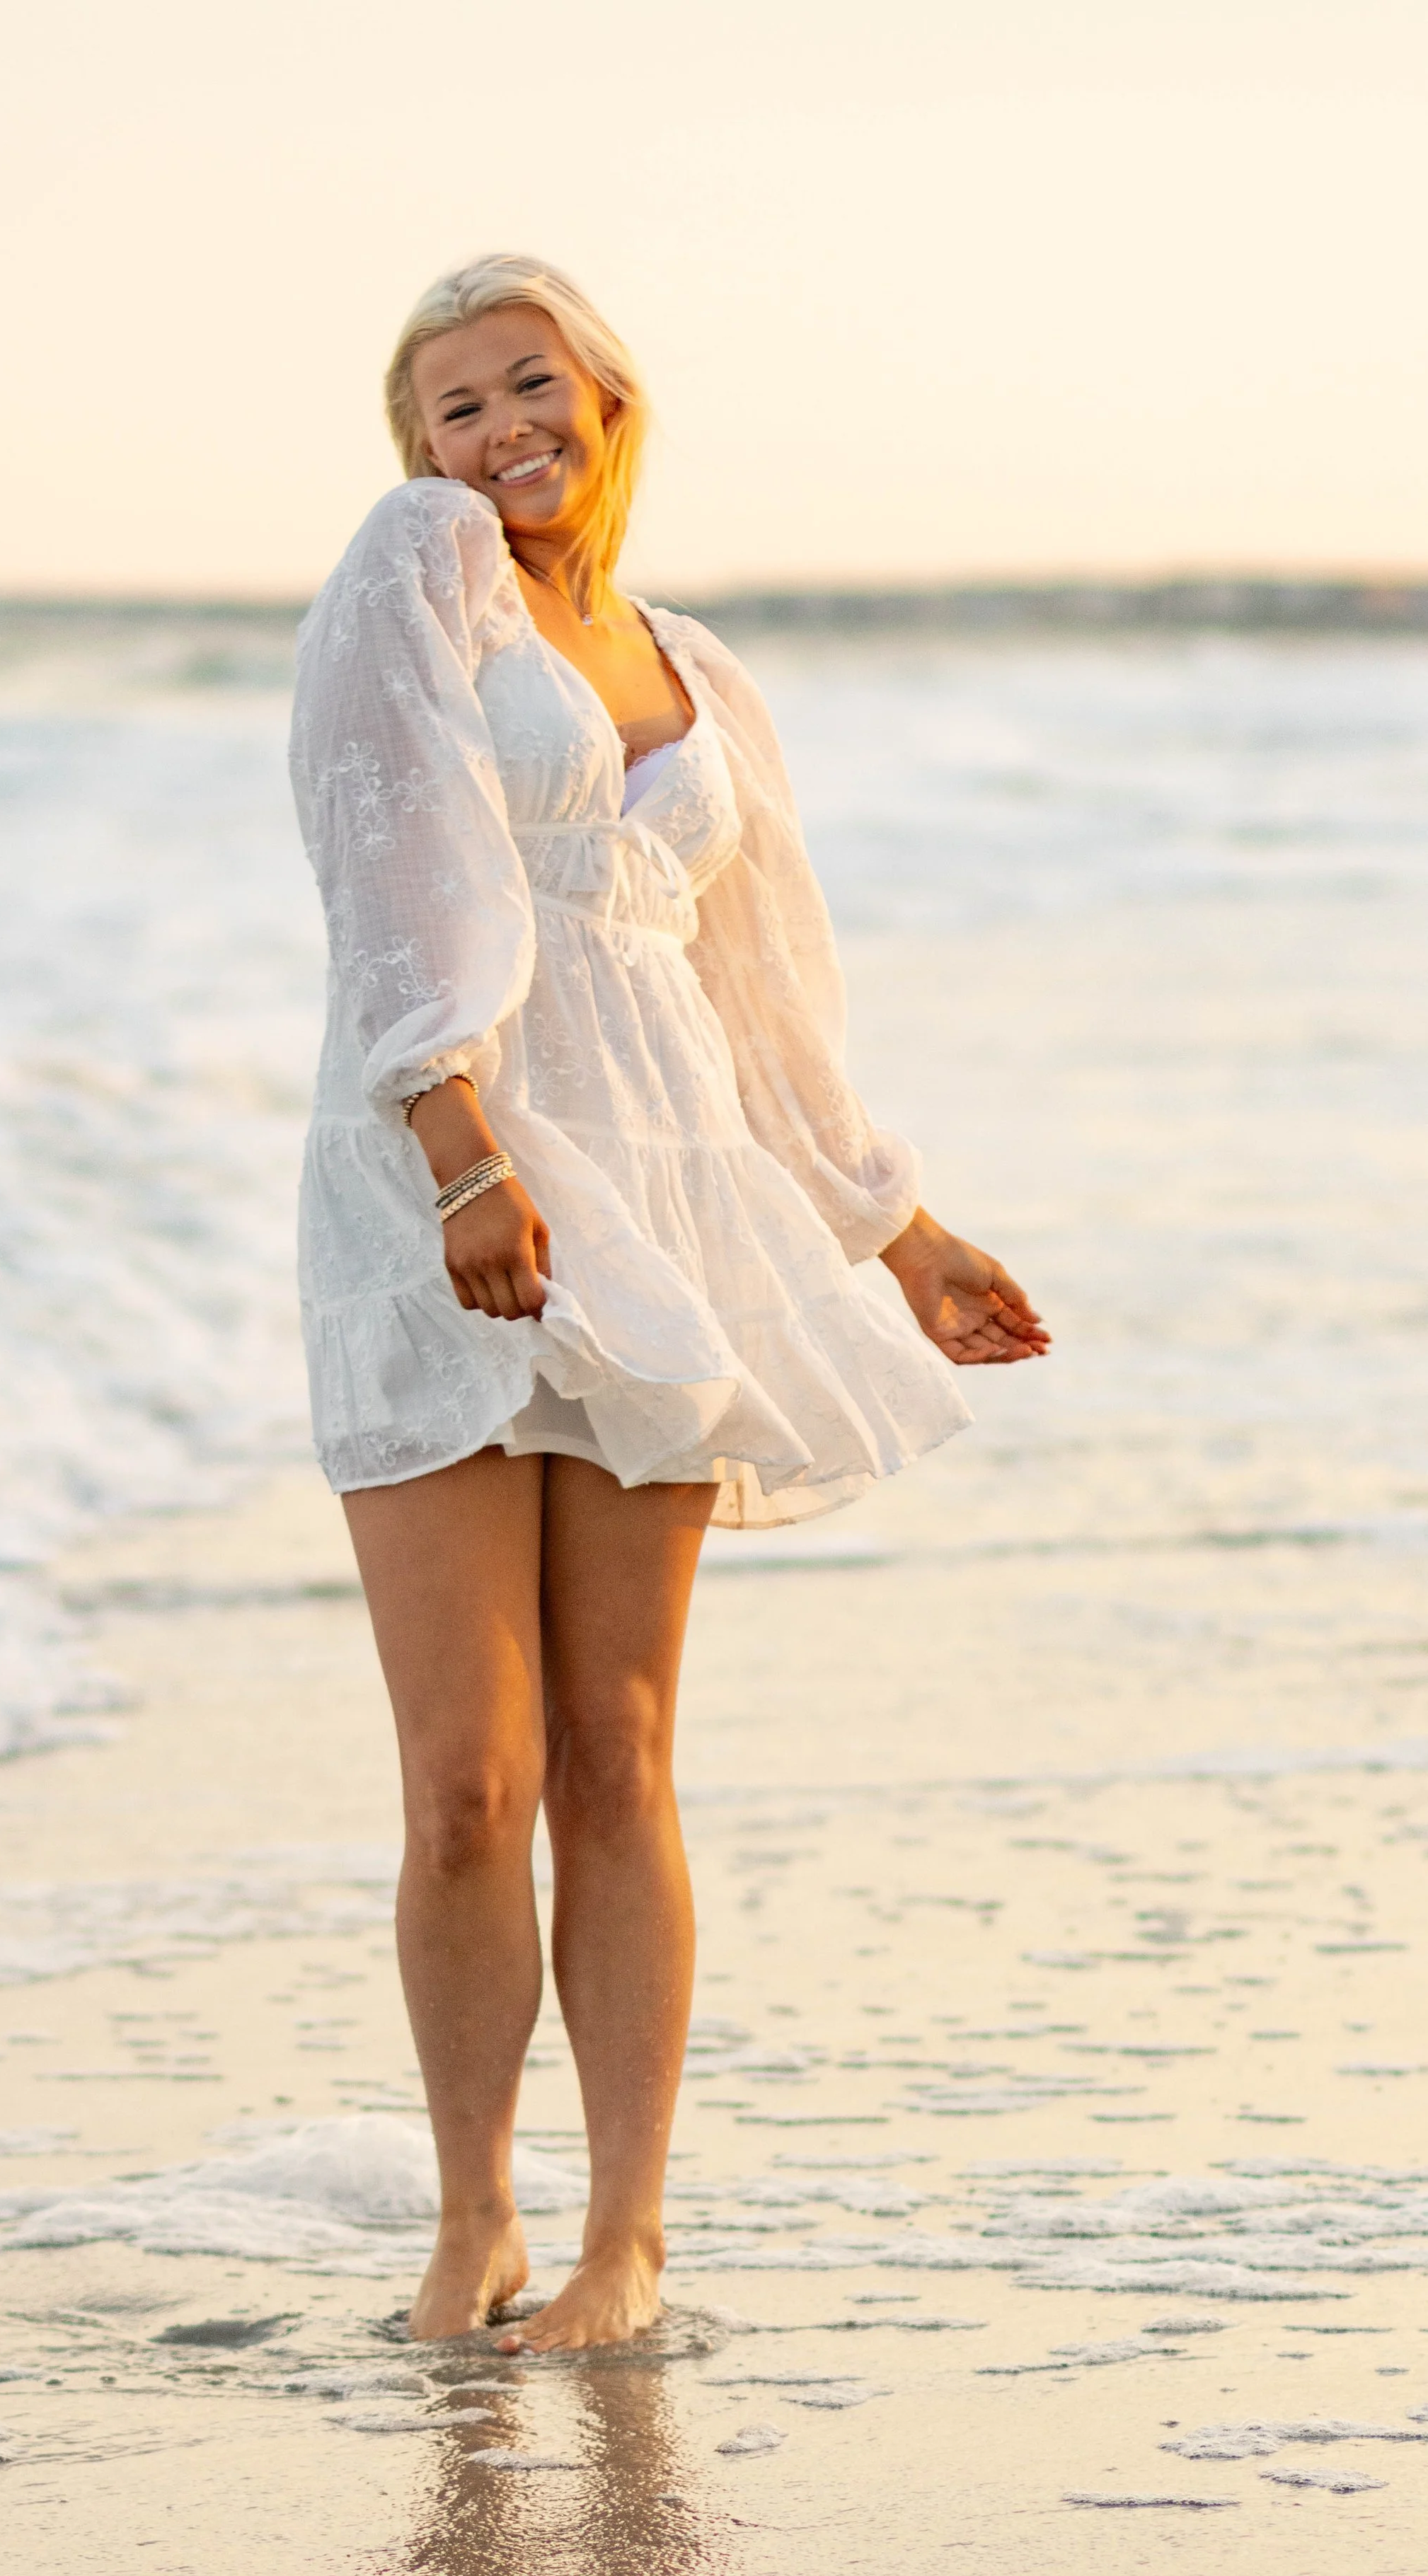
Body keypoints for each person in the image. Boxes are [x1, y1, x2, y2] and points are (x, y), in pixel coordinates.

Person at [289, 254, 1047, 2353]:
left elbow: (759, 997)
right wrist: (456, 1144)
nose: (497, 427)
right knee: (469, 1771)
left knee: (620, 1747)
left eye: (532, 383)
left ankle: (623, 2240)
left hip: (666, 1201)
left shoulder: (694, 669)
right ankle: (470, 2221)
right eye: (451, 404)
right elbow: (384, 865)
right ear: (415, 447)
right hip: (449, 1183)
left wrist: (900, 1232)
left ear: (611, 400)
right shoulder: (420, 569)